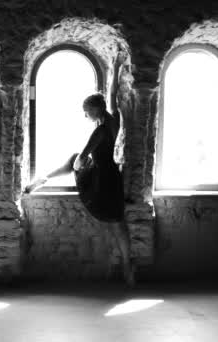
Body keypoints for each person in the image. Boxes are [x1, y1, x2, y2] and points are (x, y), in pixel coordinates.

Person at [24, 52, 135, 287]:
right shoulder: (114, 120)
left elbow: (82, 157)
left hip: (101, 179)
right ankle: (128, 268)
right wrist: (114, 68)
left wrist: (78, 166)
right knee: (119, 224)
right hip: (112, 176)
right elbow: (112, 94)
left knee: (72, 159)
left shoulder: (98, 131)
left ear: (95, 110)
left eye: (86, 111)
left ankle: (42, 180)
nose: (85, 115)